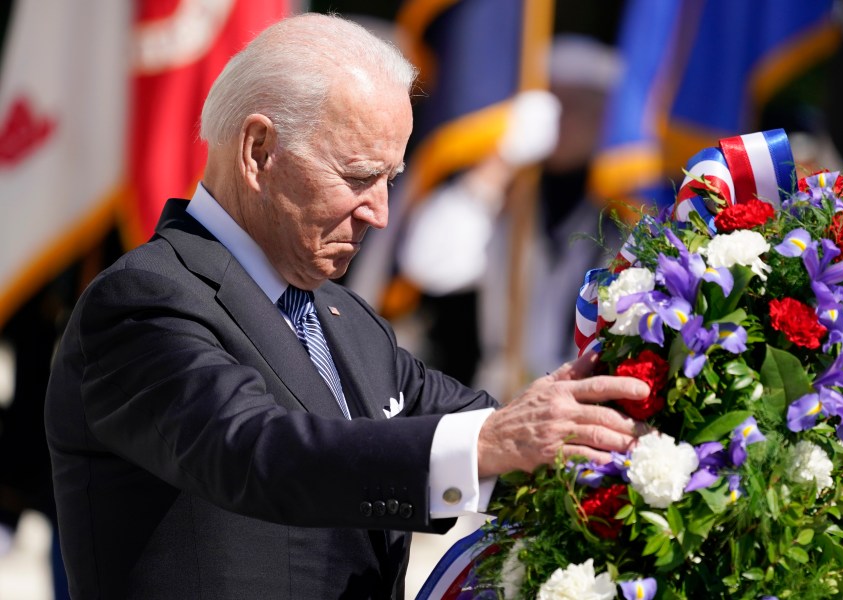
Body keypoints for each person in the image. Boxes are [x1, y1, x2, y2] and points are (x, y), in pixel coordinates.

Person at [44, 13, 649, 599]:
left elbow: (483, 426)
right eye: (359, 177)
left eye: (389, 180)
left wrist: (642, 420)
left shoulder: (346, 321)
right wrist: (490, 440)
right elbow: (257, 450)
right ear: (258, 150)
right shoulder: (144, 300)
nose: (380, 213)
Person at [395, 34, 624, 401]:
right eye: (555, 102)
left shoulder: (626, 205)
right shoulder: (506, 189)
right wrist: (500, 164)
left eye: (582, 106)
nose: (564, 119)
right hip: (492, 402)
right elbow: (429, 265)